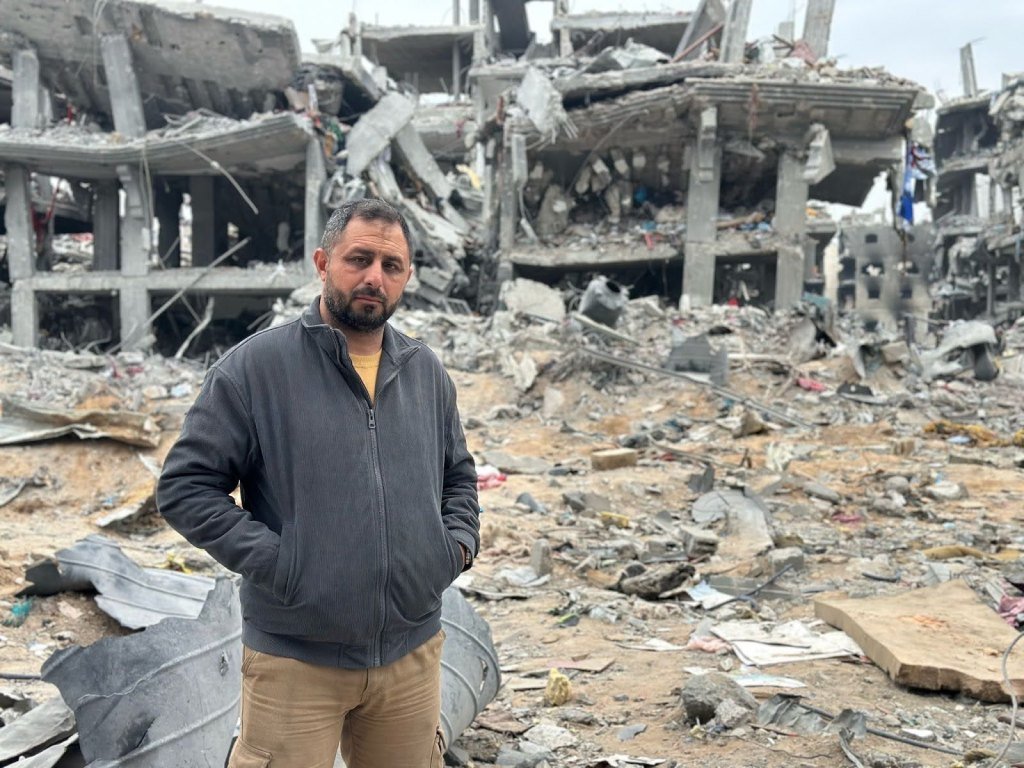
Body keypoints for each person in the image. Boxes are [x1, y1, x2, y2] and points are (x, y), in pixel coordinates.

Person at [157, 198, 480, 768]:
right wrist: (284, 565)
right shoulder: (255, 370)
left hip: (411, 655)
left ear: (406, 278)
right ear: (323, 262)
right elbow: (186, 487)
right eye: (359, 259)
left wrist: (452, 547)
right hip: (296, 661)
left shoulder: (425, 372)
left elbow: (457, 473)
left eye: (391, 266)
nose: (374, 278)